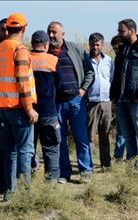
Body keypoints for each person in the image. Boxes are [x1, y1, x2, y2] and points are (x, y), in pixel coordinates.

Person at [0, 12, 38, 200]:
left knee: (10, 151)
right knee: (25, 151)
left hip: (3, 107)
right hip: (19, 108)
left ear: (8, 28)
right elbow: (23, 82)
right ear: (24, 29)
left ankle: (10, 192)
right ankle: (25, 194)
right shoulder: (20, 50)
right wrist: (29, 108)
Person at [47, 21, 95, 183]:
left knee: (81, 136)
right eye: (49, 32)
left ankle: (86, 171)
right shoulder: (45, 52)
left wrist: (83, 90)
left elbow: (89, 71)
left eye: (54, 32)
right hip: (55, 104)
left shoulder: (75, 49)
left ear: (63, 34)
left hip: (76, 101)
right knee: (59, 139)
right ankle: (64, 173)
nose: (51, 35)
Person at [110, 19, 138, 170]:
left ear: (132, 31)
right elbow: (117, 74)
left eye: (121, 31)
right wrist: (114, 95)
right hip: (122, 100)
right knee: (128, 136)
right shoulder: (123, 49)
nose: (119, 34)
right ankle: (132, 166)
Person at [29, 30, 62, 182]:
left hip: (28, 111)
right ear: (46, 44)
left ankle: (27, 181)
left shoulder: (25, 58)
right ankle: (51, 183)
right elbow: (59, 84)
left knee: (28, 148)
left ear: (32, 44)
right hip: (49, 111)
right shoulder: (53, 60)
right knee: (51, 148)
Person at [86, 32, 114, 171]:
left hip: (106, 102)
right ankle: (88, 165)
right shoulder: (85, 59)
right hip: (91, 102)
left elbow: (112, 79)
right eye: (92, 44)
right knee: (89, 135)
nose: (95, 47)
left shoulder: (109, 61)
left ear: (102, 45)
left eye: (97, 44)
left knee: (105, 134)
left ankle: (106, 164)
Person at [110, 35, 126, 160]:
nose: (117, 51)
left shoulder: (132, 57)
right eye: (115, 49)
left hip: (133, 99)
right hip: (120, 99)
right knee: (121, 130)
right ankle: (118, 156)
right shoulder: (116, 60)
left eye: (119, 48)